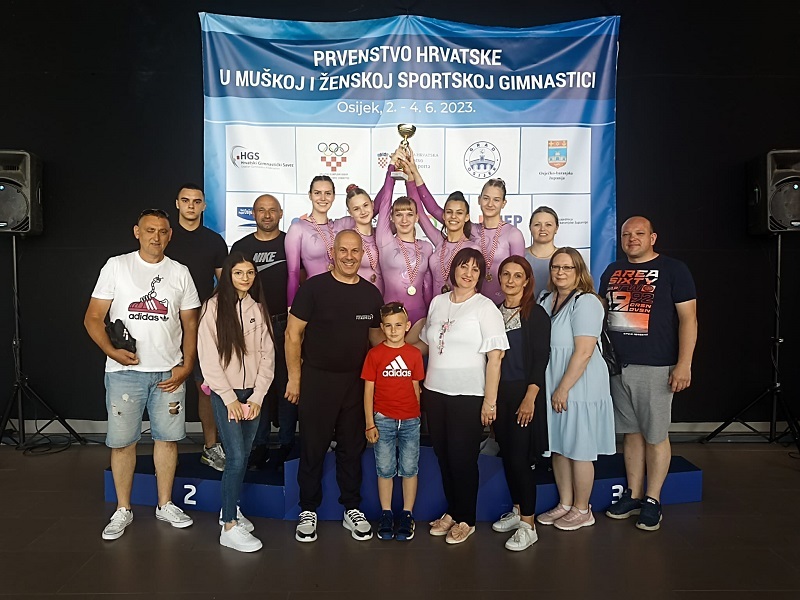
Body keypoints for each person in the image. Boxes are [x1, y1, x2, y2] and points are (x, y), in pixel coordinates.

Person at [84, 208, 199, 540]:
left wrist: (187, 365)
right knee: (122, 443)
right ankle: (123, 508)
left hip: (168, 372)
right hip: (125, 373)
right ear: (137, 231)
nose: (156, 237)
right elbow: (93, 317)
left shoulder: (180, 272)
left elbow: (191, 323)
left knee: (168, 440)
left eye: (162, 231)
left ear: (170, 235)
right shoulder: (117, 266)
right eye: (150, 230)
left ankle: (165, 504)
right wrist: (111, 350)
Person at [285, 230, 385, 543]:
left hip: (355, 383)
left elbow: (377, 342)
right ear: (333, 253)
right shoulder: (313, 289)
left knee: (351, 448)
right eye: (343, 250)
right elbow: (292, 334)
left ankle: (351, 508)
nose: (349, 257)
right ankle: (307, 509)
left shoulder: (371, 294)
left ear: (362, 255)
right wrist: (295, 378)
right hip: (317, 380)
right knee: (312, 447)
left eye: (355, 251)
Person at [599, 216, 697, 531]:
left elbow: (689, 319)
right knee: (631, 434)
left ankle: (653, 500)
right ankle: (634, 494)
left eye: (639, 233)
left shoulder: (674, 270)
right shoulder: (612, 271)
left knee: (655, 436)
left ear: (652, 237)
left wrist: (684, 364)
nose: (632, 238)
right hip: (617, 367)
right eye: (626, 234)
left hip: (656, 367)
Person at [413, 248, 508, 544]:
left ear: (480, 276)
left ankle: (467, 518)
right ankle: (453, 511)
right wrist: (392, 352)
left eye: (475, 269)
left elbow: (495, 358)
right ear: (453, 269)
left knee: (462, 459)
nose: (468, 273)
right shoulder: (438, 302)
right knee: (443, 456)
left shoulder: (485, 308)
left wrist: (490, 402)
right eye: (463, 267)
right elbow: (426, 345)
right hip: (434, 393)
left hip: (468, 396)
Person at [197, 252, 275, 552]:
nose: (245, 278)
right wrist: (229, 398)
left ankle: (230, 509)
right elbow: (208, 359)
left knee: (243, 455)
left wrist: (257, 396)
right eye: (239, 273)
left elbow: (268, 356)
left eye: (250, 273)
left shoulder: (257, 308)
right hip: (226, 395)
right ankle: (228, 526)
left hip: (252, 396)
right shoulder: (212, 308)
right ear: (228, 275)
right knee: (237, 458)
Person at [535, 247, 616, 531]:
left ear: (579, 271)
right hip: (553, 381)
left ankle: (583, 509)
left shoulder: (586, 302)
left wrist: (563, 388)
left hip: (579, 384)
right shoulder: (545, 299)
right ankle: (565, 503)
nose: (560, 272)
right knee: (559, 445)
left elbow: (584, 352)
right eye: (556, 267)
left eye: (567, 267)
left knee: (579, 447)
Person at [164, 183, 229, 472]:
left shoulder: (214, 241)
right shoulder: (165, 237)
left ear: (204, 206)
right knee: (165, 385)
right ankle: (165, 448)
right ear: (177, 203)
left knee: (206, 386)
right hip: (164, 322)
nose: (191, 205)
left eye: (196, 201)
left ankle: (210, 447)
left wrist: (208, 310)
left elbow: (225, 284)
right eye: (186, 200)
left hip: (202, 324)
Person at [402, 151, 524, 304]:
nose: (490, 204)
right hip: (456, 303)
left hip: (501, 303)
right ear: (479, 200)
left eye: (496, 200)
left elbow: (520, 275)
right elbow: (432, 209)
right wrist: (414, 173)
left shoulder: (513, 234)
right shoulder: (471, 229)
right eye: (486, 198)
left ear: (503, 203)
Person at [230, 194, 295, 471]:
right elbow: (230, 285)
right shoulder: (241, 246)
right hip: (251, 326)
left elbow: (303, 280)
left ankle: (286, 444)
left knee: (286, 385)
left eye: (272, 210)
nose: (267, 215)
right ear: (253, 214)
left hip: (285, 324)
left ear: (280, 213)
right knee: (258, 386)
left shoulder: (290, 243)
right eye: (261, 210)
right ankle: (258, 445)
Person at [490, 256, 551, 551]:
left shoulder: (535, 314)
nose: (511, 280)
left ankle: (529, 525)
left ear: (527, 281)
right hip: (499, 394)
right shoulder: (492, 312)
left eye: (517, 275)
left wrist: (530, 396)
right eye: (506, 274)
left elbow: (541, 359)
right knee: (507, 455)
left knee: (520, 459)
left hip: (522, 395)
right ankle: (517, 511)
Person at [361, 302, 425, 541]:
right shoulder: (374, 355)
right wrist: (370, 423)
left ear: (408, 326)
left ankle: (407, 514)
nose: (394, 330)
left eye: (398, 325)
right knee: (385, 469)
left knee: (409, 468)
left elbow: (415, 386)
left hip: (410, 420)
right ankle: (386, 513)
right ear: (382, 327)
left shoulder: (414, 354)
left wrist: (416, 415)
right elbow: (368, 390)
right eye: (388, 326)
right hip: (383, 420)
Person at [285, 175, 351, 307]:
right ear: (310, 195)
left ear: (334, 196)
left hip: (343, 297)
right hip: (314, 298)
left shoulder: (341, 225)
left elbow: (371, 211)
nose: (323, 198)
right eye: (317, 193)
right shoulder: (298, 228)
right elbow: (293, 274)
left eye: (328, 193)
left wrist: (391, 172)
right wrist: (291, 308)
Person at [525, 206, 560, 301]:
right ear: (530, 227)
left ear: (556, 228)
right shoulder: (519, 256)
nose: (542, 229)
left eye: (548, 225)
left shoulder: (566, 259)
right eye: (537, 225)